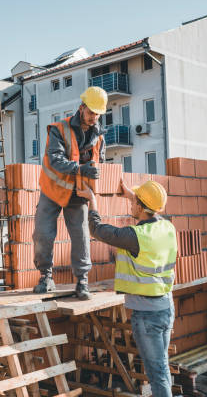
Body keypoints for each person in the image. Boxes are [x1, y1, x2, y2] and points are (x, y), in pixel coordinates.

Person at [77, 179, 177, 397]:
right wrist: (132, 195)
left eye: (135, 203)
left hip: (147, 315)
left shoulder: (135, 237)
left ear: (141, 207)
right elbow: (149, 210)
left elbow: (98, 230)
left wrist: (92, 200)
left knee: (156, 372)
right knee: (162, 366)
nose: (132, 206)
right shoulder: (167, 227)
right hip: (166, 309)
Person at [32, 86, 108, 300]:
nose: (94, 117)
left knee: (81, 235)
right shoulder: (59, 129)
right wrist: (80, 169)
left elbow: (99, 160)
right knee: (43, 234)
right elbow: (55, 159)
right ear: (81, 107)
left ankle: (82, 281)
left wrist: (93, 176)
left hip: (78, 193)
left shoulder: (99, 136)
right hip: (53, 189)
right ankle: (45, 276)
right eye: (91, 112)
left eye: (97, 113)